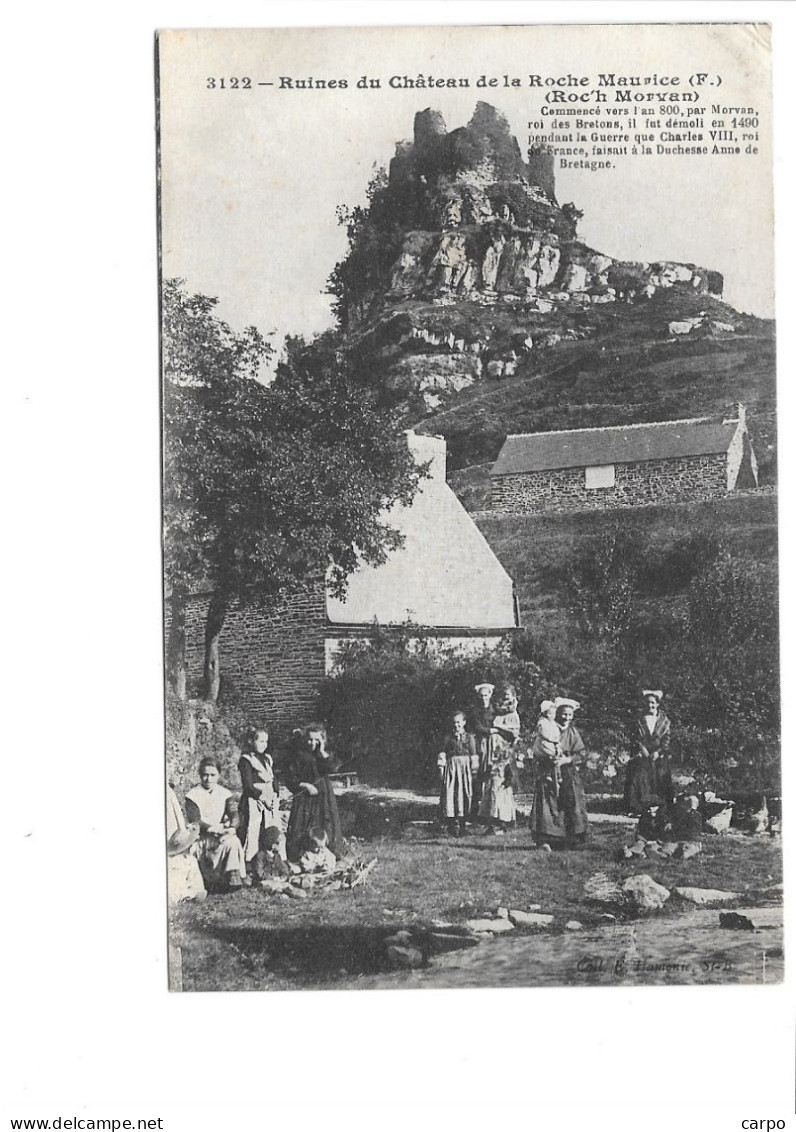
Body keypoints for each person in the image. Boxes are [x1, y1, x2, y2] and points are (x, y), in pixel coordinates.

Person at [531, 697, 589, 849]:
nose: (566, 718)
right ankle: (546, 838)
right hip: (548, 770)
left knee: (571, 800)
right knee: (547, 803)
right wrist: (548, 757)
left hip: (567, 771)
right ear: (557, 714)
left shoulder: (572, 732)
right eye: (563, 714)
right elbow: (538, 748)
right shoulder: (547, 727)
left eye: (569, 715)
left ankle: (570, 838)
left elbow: (581, 753)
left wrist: (567, 760)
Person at [184, 757, 247, 891]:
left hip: (219, 834)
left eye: (213, 775)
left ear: (218, 775)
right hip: (202, 836)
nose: (209, 779)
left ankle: (232, 874)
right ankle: (207, 879)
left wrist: (232, 828)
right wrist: (212, 828)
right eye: (205, 775)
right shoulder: (193, 795)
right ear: (200, 775)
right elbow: (195, 819)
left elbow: (234, 814)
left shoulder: (225, 793)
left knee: (233, 841)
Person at [284, 725, 343, 863]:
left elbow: (332, 768)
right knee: (301, 826)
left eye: (316, 740)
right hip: (304, 798)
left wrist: (322, 750)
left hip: (323, 797)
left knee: (327, 823)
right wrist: (305, 785)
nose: (312, 743)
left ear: (322, 740)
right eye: (309, 739)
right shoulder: (299, 755)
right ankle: (301, 858)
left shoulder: (324, 754)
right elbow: (290, 778)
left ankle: (327, 856)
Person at [238, 725, 284, 882]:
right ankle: (250, 867)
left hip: (269, 800)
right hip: (254, 800)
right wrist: (261, 796)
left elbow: (272, 778)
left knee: (270, 830)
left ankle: (271, 863)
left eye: (266, 741)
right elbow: (248, 785)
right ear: (251, 741)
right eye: (260, 741)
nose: (264, 744)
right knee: (253, 832)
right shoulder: (246, 760)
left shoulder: (267, 759)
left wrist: (276, 792)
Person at [623, 690, 673, 816]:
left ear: (657, 704)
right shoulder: (639, 719)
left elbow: (666, 740)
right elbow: (634, 738)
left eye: (652, 703)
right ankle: (637, 807)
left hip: (658, 754)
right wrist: (641, 749)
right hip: (642, 753)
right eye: (647, 703)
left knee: (661, 773)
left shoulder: (664, 720)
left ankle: (661, 806)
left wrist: (658, 751)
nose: (650, 705)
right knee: (638, 773)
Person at [479, 685, 521, 834]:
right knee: (490, 785)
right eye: (503, 695)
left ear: (514, 696)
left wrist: (498, 730)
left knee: (500, 785)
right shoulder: (498, 711)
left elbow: (514, 734)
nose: (505, 698)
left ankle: (501, 822)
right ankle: (491, 822)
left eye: (508, 695)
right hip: (492, 752)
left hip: (503, 753)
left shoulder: (512, 714)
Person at [166, 764, 206, 904]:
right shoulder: (169, 793)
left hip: (175, 843)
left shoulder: (169, 793)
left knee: (188, 864)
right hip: (173, 845)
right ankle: (186, 893)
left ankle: (187, 892)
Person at [436, 710, 478, 836]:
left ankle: (463, 826)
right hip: (452, 769)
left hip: (464, 770)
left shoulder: (469, 738)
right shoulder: (448, 738)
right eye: (454, 723)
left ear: (464, 722)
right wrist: (441, 768)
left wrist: (474, 771)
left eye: (459, 722)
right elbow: (443, 753)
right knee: (451, 795)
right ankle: (451, 826)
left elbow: (473, 755)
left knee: (464, 795)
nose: (456, 725)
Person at [469, 682, 498, 818]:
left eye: (486, 695)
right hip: (481, 743)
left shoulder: (495, 709)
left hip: (494, 743)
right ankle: (476, 809)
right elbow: (477, 727)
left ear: (490, 695)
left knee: (492, 773)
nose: (483, 698)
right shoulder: (476, 711)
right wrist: (490, 730)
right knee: (479, 773)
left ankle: (491, 809)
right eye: (481, 696)